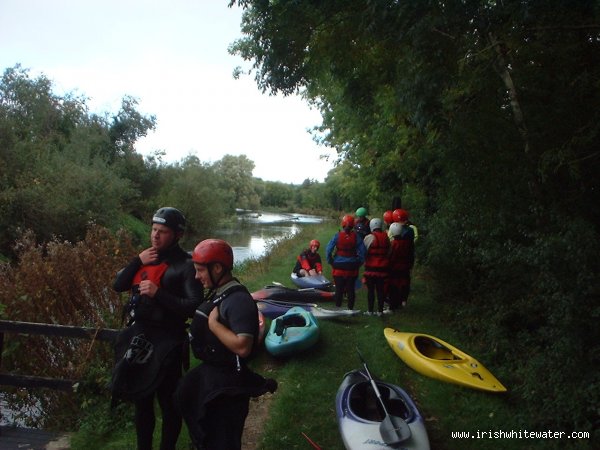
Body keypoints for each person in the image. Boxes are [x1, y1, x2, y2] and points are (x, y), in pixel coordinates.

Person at [110, 207, 203, 450]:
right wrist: (136, 261)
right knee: (142, 401)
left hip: (169, 343)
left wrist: (158, 293)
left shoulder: (186, 265)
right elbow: (118, 285)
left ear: (177, 235)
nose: (155, 236)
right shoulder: (145, 258)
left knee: (169, 403)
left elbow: (193, 306)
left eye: (162, 231)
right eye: (153, 230)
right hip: (140, 337)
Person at [174, 239, 277, 450]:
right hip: (213, 377)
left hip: (228, 387)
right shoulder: (221, 292)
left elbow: (243, 346)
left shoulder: (237, 300)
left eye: (200, 270)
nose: (196, 276)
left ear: (217, 268)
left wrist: (213, 324)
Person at [326, 214, 366, 310]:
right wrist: (358, 263)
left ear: (343, 224)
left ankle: (337, 308)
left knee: (339, 289)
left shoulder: (337, 236)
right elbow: (363, 252)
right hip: (352, 267)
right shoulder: (356, 237)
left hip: (338, 267)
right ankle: (350, 309)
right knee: (351, 289)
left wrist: (331, 261)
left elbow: (328, 250)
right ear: (353, 225)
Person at [362, 218, 390, 316]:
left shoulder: (369, 237)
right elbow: (388, 251)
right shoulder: (386, 237)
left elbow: (363, 251)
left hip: (371, 269)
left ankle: (370, 311)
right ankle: (380, 311)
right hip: (383, 269)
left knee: (371, 291)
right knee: (380, 290)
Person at [388, 218, 415, 310]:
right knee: (404, 283)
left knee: (394, 286)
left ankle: (394, 304)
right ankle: (403, 301)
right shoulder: (407, 243)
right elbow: (411, 254)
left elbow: (391, 256)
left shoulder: (393, 244)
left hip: (395, 267)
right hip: (405, 266)